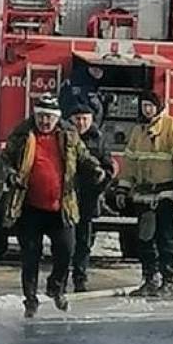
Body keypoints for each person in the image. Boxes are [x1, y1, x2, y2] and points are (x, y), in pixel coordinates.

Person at [0, 95, 104, 318]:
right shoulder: (22, 134)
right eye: (41, 116)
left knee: (66, 251)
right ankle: (30, 299)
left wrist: (96, 169)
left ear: (57, 118)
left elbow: (83, 157)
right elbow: (6, 158)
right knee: (30, 255)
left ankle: (56, 287)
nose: (44, 121)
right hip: (30, 208)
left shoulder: (68, 135)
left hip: (61, 207)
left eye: (49, 117)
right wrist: (10, 175)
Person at [113, 90, 173, 298]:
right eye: (144, 106)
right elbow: (130, 162)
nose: (147, 110)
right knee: (145, 240)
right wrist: (123, 188)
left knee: (166, 238)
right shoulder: (138, 132)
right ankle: (150, 279)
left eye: (150, 106)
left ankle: (167, 281)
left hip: (166, 194)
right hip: (143, 196)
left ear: (158, 107)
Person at [66, 101, 114, 293]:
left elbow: (108, 168)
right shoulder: (64, 137)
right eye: (77, 119)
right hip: (66, 197)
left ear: (91, 120)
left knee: (84, 242)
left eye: (85, 119)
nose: (81, 123)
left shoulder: (99, 140)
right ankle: (61, 277)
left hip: (88, 199)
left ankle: (80, 278)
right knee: (66, 240)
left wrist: (99, 187)